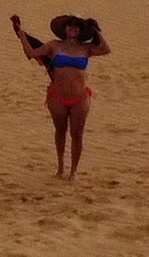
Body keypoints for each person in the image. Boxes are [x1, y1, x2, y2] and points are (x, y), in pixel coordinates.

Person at [10, 12, 109, 179]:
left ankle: (74, 171)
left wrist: (96, 31)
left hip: (80, 97)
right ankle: (61, 167)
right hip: (57, 96)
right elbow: (31, 53)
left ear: (80, 31)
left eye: (76, 26)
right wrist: (21, 35)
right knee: (60, 131)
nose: (72, 28)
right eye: (69, 25)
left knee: (77, 134)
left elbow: (106, 49)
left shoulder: (86, 48)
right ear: (64, 29)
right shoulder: (54, 45)